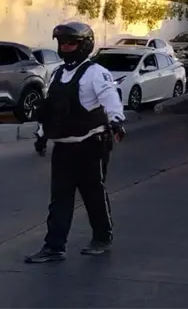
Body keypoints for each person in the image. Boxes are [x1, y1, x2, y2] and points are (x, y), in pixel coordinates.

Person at [25, 22, 127, 264]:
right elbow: (51, 109)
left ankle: (102, 237)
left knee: (93, 193)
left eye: (71, 43)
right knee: (60, 198)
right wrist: (41, 134)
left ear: (85, 45)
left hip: (91, 144)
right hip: (63, 147)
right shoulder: (57, 73)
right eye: (62, 43)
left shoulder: (95, 73)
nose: (65, 47)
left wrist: (116, 121)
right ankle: (54, 247)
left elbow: (110, 98)